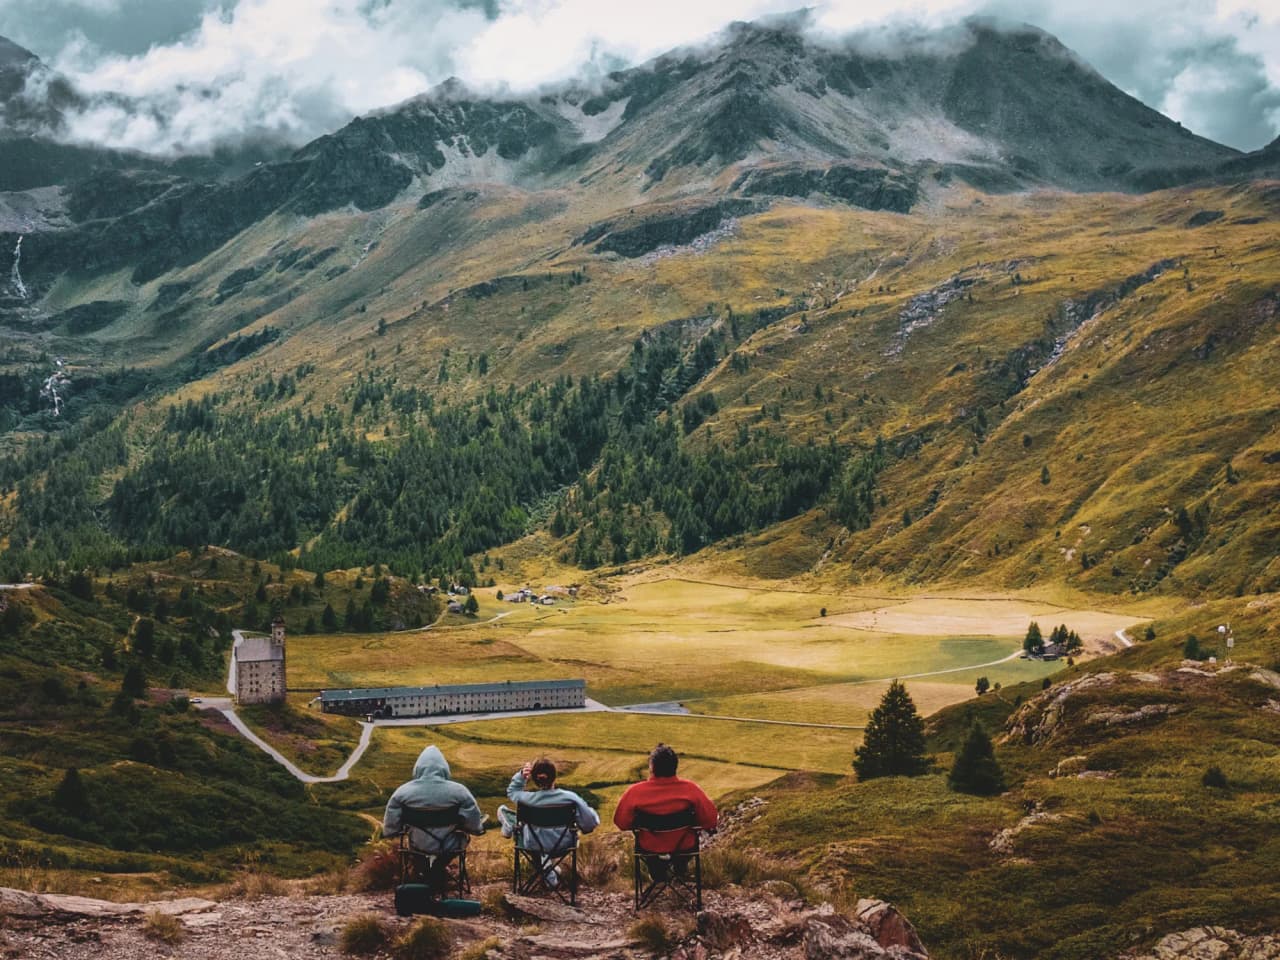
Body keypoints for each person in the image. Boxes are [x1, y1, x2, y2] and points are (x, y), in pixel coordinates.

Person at [383, 745, 485, 886]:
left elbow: (390, 828)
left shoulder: (402, 793)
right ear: (445, 769)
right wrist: (475, 829)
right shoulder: (460, 791)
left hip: (418, 845)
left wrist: (392, 832)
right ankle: (438, 871)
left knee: (414, 849)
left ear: (417, 768)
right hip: (450, 846)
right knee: (462, 839)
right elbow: (474, 825)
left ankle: (426, 875)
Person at [613, 743, 718, 878]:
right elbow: (710, 820)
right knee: (682, 853)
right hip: (684, 848)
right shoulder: (691, 790)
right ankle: (680, 870)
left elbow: (621, 823)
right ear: (675, 766)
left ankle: (658, 875)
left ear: (652, 767)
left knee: (653, 860)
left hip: (649, 848)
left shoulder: (635, 792)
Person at [498, 757, 600, 887]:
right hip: (564, 844)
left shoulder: (527, 799)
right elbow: (589, 823)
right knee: (544, 840)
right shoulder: (570, 798)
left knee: (503, 811)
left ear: (535, 780)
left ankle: (509, 828)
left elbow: (512, 792)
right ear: (554, 777)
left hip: (533, 844)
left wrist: (521, 776)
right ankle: (549, 872)